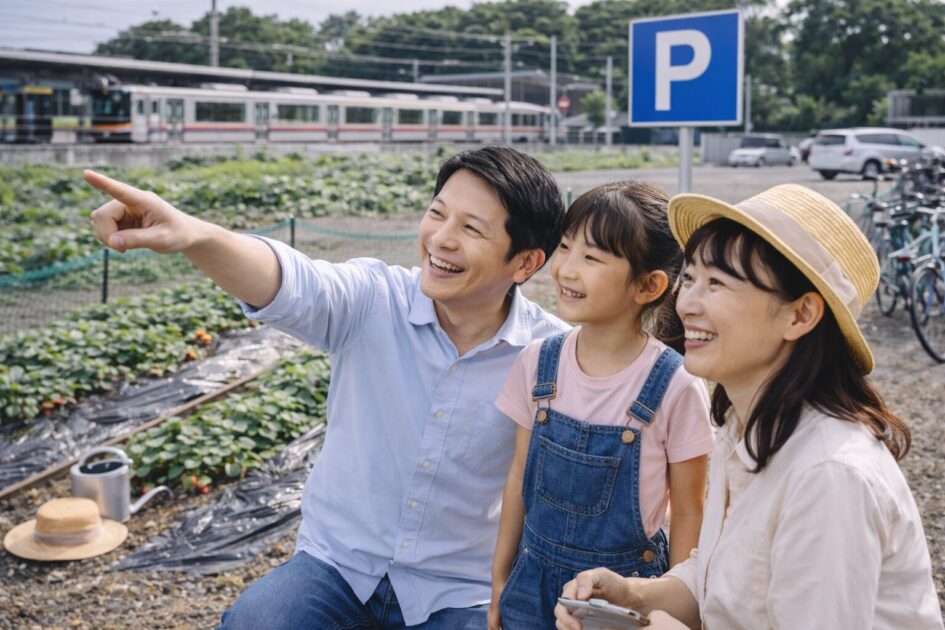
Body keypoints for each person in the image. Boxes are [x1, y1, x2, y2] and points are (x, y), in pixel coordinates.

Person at [83, 146, 571, 629]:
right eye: (436, 214)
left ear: (525, 263)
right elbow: (289, 280)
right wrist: (195, 235)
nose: (440, 239)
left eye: (471, 228)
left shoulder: (549, 357)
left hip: (460, 590)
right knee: (258, 622)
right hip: (340, 567)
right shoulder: (374, 300)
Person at [554, 184, 944, 630]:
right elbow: (716, 577)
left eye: (718, 283)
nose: (687, 304)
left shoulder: (829, 474)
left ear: (799, 315)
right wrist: (632, 595)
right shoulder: (744, 427)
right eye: (691, 278)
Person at [489, 182, 714, 630]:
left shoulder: (676, 383)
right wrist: (499, 579)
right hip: (530, 584)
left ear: (649, 285)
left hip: (622, 596)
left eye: (592, 258)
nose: (567, 270)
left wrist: (679, 610)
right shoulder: (538, 362)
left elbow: (689, 509)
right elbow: (518, 476)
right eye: (566, 248)